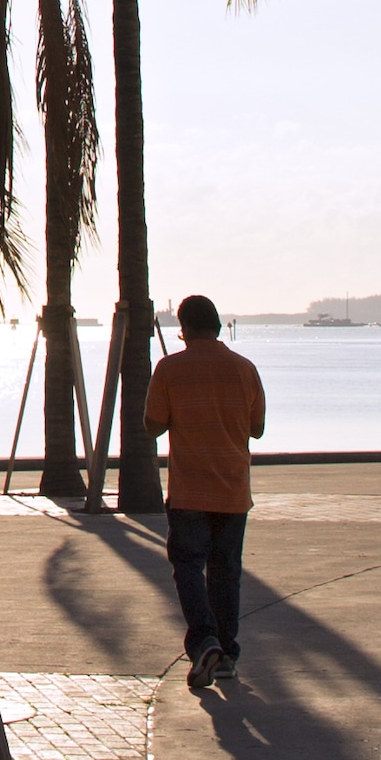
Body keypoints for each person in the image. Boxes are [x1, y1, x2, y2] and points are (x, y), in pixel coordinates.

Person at [143, 293, 265, 694]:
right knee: (226, 572)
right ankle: (226, 655)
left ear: (186, 328)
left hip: (189, 490)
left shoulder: (169, 369)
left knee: (188, 567)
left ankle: (205, 640)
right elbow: (256, 428)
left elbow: (152, 425)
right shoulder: (245, 370)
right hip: (232, 490)